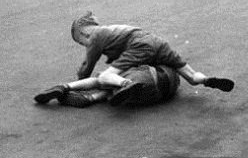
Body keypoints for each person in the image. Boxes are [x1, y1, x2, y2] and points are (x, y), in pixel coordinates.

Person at [33, 12, 235, 107]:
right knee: (190, 75)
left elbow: (88, 66)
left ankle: (126, 84)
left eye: (80, 41)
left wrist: (81, 74)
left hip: (139, 45)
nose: (84, 44)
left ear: (82, 32)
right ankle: (206, 80)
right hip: (158, 42)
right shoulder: (111, 31)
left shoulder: (95, 37)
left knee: (105, 77)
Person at [34, 64, 180, 108]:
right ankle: (92, 98)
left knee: (102, 79)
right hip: (157, 95)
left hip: (148, 76)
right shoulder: (174, 74)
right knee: (113, 91)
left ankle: (65, 87)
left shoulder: (149, 56)